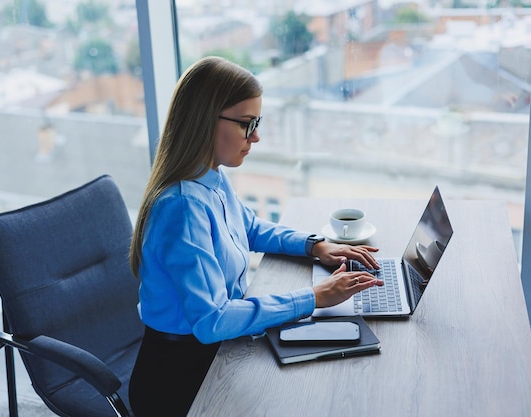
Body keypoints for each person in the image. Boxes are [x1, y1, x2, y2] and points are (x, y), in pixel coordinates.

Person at [128, 56, 384, 416]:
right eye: (248, 124)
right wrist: (313, 298)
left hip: (218, 350)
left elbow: (248, 227)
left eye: (257, 123)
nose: (256, 137)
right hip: (182, 380)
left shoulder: (210, 178)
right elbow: (211, 321)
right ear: (206, 120)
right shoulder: (182, 209)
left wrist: (315, 246)